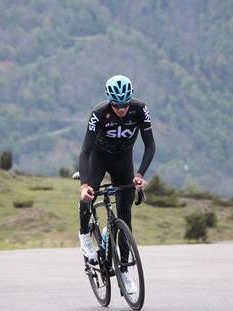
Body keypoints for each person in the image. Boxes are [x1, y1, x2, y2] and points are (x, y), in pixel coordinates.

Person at [78, 74, 156, 293]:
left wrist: (140, 174)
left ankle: (123, 269)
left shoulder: (139, 110)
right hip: (99, 158)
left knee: (125, 216)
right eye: (117, 105)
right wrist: (84, 184)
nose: (122, 109)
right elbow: (85, 151)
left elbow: (150, 146)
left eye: (125, 104)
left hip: (123, 160)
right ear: (111, 101)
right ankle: (84, 236)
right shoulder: (99, 114)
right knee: (89, 195)